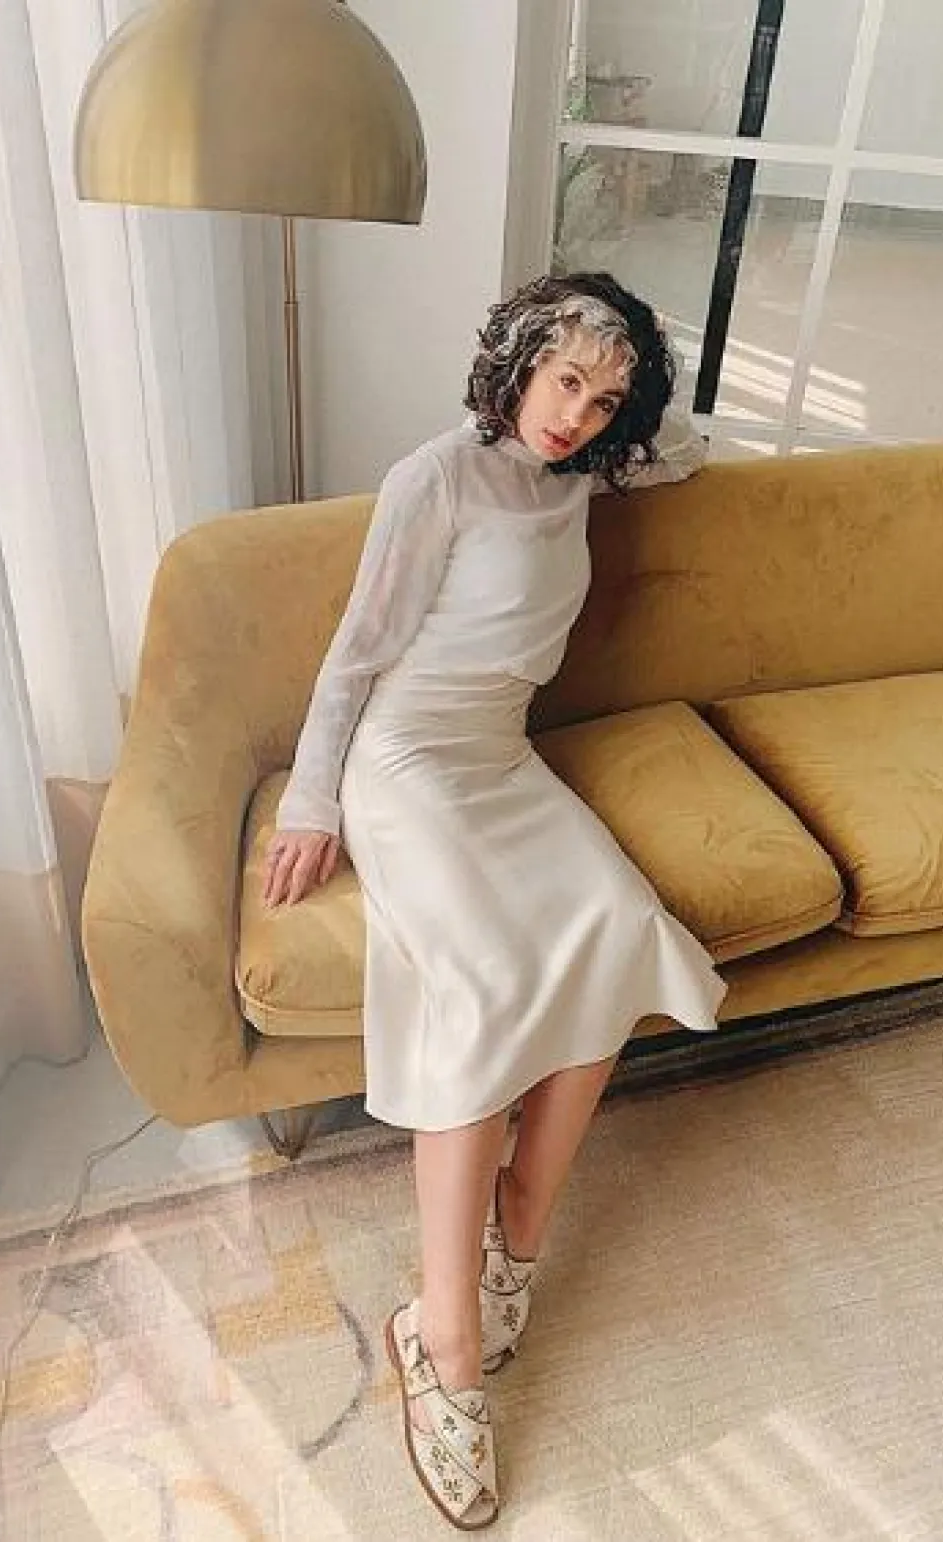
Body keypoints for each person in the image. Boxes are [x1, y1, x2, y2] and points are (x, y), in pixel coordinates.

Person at [264, 271, 727, 1529]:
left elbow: (683, 444)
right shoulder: (439, 477)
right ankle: (444, 1333)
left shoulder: (587, 471)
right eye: (563, 380)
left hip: (501, 760)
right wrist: (311, 802)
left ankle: (519, 1226)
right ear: (519, 364)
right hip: (409, 761)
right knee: (478, 982)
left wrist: (635, 395)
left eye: (603, 400)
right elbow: (359, 650)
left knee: (619, 927)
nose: (574, 415)